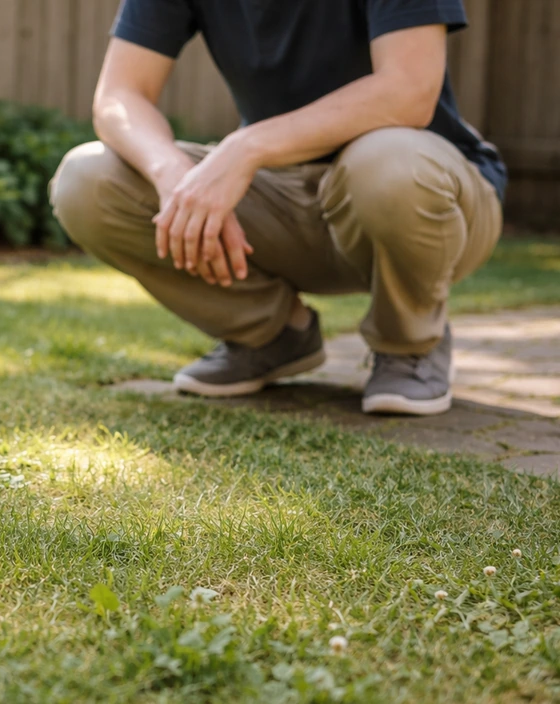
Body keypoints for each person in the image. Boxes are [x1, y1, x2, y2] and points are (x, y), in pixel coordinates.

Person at [50, 0, 506, 416]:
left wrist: (247, 146)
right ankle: (272, 334)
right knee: (86, 179)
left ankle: (410, 342)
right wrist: (174, 177)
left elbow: (408, 91)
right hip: (282, 199)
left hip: (427, 197)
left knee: (386, 161)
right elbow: (119, 96)